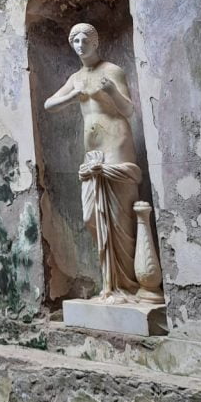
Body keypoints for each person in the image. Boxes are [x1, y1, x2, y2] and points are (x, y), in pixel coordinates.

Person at [44, 22, 141, 301]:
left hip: (117, 147)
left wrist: (111, 91)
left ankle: (127, 285)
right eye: (74, 40)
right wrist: (74, 94)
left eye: (84, 39)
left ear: (95, 42)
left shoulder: (112, 71)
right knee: (92, 217)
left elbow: (129, 110)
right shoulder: (75, 78)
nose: (79, 44)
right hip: (93, 154)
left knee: (119, 216)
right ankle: (110, 283)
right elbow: (49, 105)